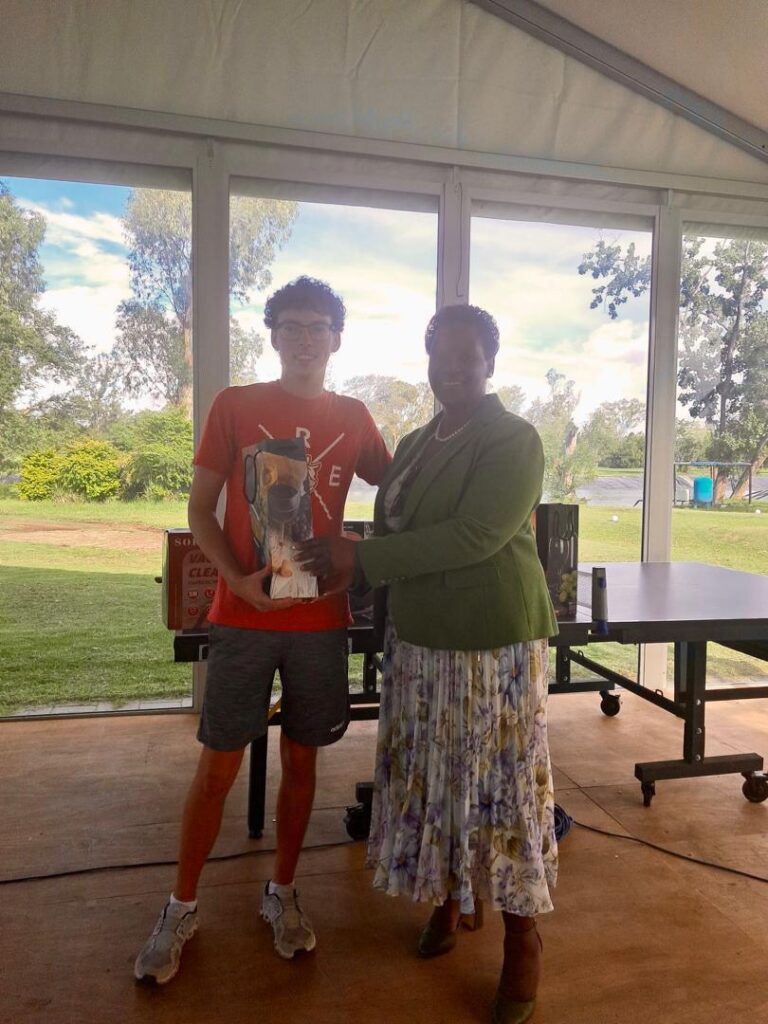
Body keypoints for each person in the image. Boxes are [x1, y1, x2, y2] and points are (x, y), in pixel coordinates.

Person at [298, 304, 558, 1024]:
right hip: (417, 643)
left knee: (501, 788)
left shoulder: (513, 438)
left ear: (490, 363)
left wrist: (363, 560)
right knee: (435, 779)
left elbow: (475, 534)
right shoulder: (414, 442)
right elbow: (398, 522)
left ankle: (522, 938)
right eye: (441, 355)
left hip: (490, 643)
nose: (453, 368)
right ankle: (447, 898)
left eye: (467, 356)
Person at [134, 276, 391, 984]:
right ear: (273, 335)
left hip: (320, 621)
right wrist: (237, 580)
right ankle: (181, 905)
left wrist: (363, 551)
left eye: (318, 327)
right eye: (292, 326)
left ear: (337, 339)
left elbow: (400, 488)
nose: (305, 338)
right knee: (218, 767)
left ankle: (282, 891)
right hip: (244, 615)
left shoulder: (356, 416)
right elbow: (200, 511)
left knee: (303, 765)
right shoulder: (236, 405)